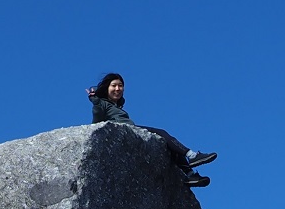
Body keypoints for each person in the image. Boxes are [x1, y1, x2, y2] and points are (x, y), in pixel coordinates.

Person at [85, 74, 215, 187]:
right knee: (162, 133)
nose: (118, 89)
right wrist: (95, 99)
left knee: (168, 146)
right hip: (126, 131)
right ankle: (191, 155)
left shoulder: (115, 106)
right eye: (114, 85)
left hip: (130, 131)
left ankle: (190, 174)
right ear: (106, 87)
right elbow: (97, 120)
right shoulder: (101, 104)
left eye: (120, 86)